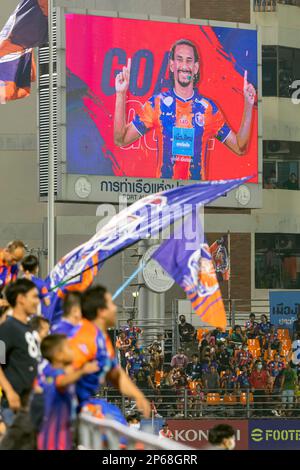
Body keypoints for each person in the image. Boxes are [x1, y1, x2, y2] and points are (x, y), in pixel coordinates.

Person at [114, 39, 256, 181]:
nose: (184, 65)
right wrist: (121, 94)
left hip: (194, 198)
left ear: (195, 67)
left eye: (189, 61)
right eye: (179, 59)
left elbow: (240, 147)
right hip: (165, 197)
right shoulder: (157, 104)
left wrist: (249, 105)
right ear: (171, 65)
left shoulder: (208, 109)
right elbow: (121, 139)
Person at [69, 285, 151, 422]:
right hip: (65, 406)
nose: (115, 308)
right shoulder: (82, 337)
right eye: (111, 304)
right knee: (115, 422)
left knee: (117, 419)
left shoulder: (102, 339)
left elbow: (115, 373)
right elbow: (62, 377)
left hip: (83, 402)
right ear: (101, 312)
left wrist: (138, 396)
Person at [34, 334, 99, 450]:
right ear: (59, 355)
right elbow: (61, 382)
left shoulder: (48, 373)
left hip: (60, 436)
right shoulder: (56, 375)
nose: (72, 350)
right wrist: (82, 371)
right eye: (68, 347)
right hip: (54, 440)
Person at [0, 279, 40, 426]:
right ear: (21, 299)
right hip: (14, 406)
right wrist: (10, 392)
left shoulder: (28, 328)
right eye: (34, 296)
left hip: (30, 404)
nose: (37, 301)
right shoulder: (7, 328)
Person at [0, 240, 26, 306]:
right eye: (13, 259)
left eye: (17, 261)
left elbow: (13, 287)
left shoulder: (13, 267)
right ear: (6, 251)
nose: (15, 263)